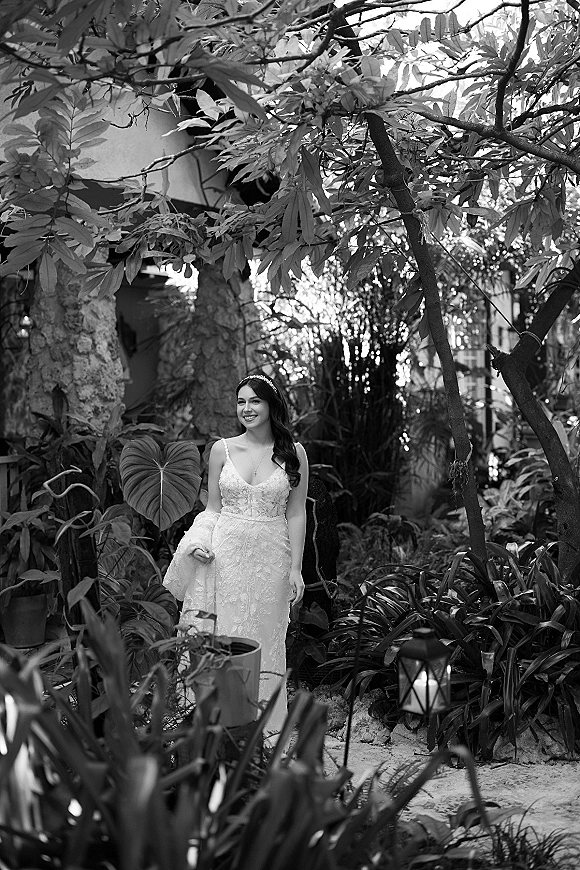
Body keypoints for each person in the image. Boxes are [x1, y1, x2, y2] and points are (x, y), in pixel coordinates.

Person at [163, 373, 308, 733]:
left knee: (266, 639)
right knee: (223, 636)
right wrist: (198, 541)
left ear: (271, 405)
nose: (247, 408)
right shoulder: (220, 450)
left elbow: (296, 512)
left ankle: (265, 727)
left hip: (271, 559)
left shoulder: (295, 453)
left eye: (255, 401)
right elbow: (212, 509)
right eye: (241, 401)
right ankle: (218, 722)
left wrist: (296, 568)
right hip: (224, 559)